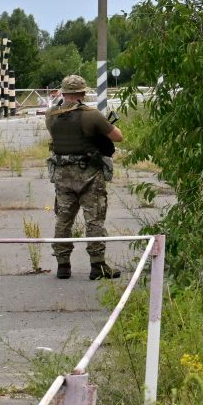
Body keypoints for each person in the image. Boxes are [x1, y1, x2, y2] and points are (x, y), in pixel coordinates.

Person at [44, 73, 123, 280]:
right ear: (82, 93)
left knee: (63, 219)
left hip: (62, 174)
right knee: (94, 220)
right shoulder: (92, 115)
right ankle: (97, 266)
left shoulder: (51, 115)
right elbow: (118, 137)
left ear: (63, 93)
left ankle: (63, 265)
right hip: (88, 174)